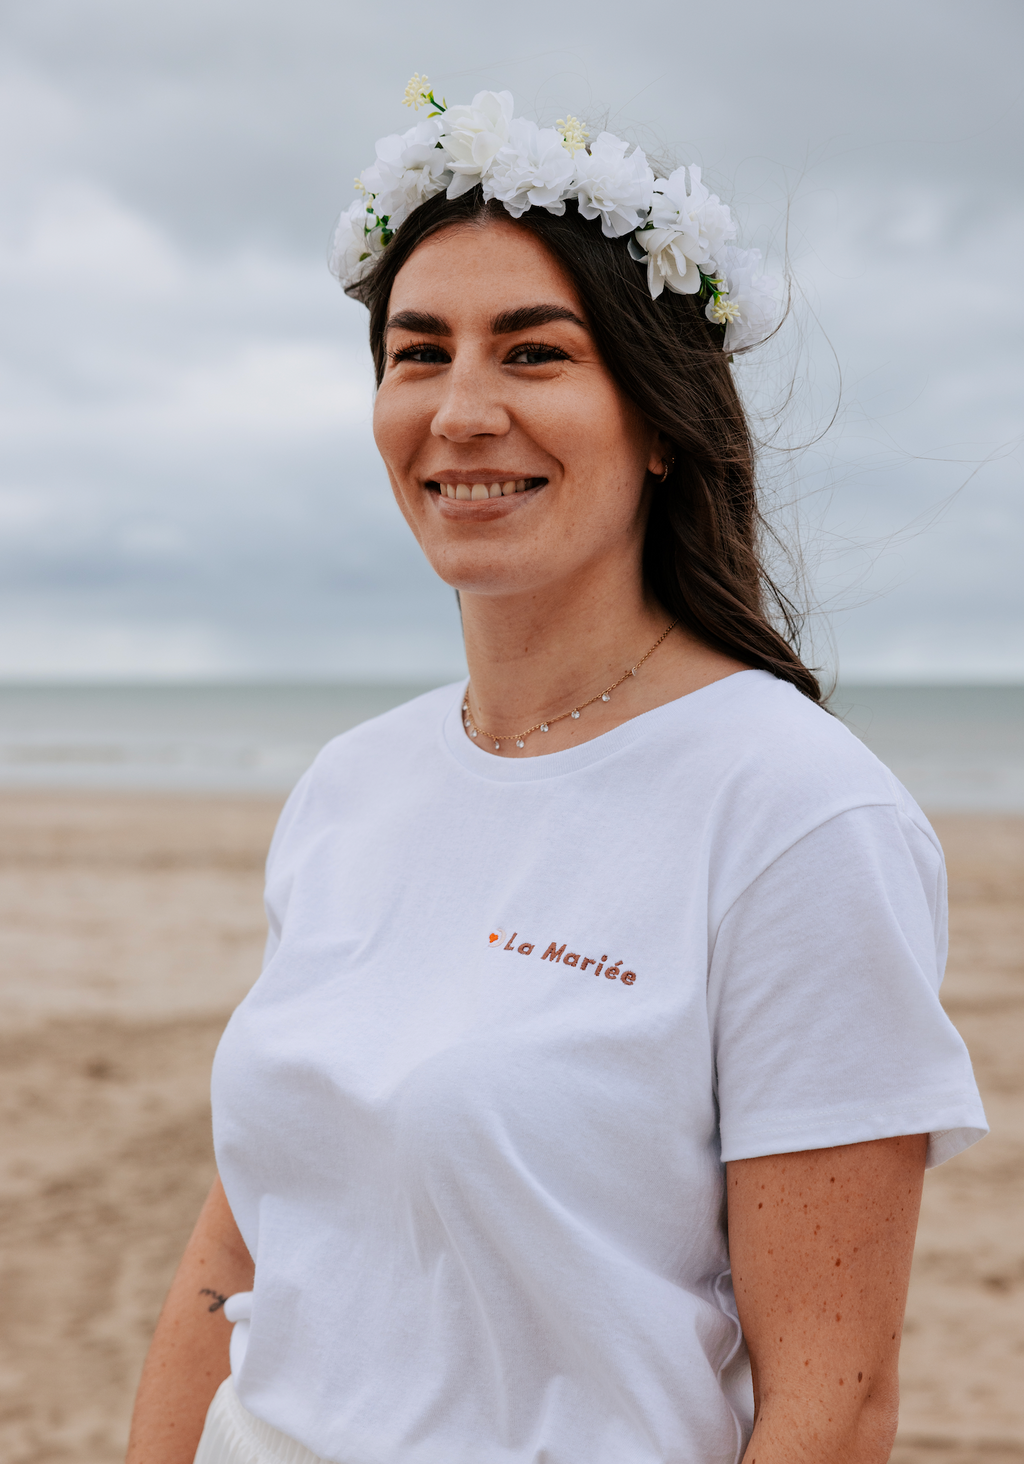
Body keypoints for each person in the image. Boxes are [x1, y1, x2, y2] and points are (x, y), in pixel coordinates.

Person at [126, 82, 987, 1464]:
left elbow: (834, 1406)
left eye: (532, 354)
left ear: (656, 418)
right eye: (420, 352)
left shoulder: (798, 815)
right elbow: (232, 1255)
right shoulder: (353, 786)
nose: (461, 411)